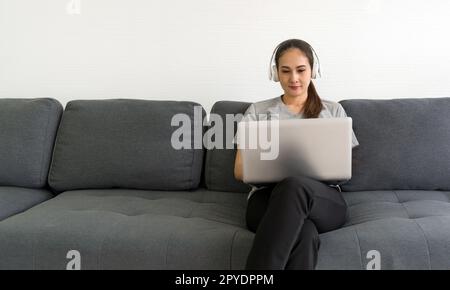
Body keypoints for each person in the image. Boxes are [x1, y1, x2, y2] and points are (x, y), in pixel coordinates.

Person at [234, 39, 359, 270]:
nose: (294, 78)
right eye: (285, 71)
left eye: (301, 70)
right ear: (275, 73)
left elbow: (345, 169)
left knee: (294, 186)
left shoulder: (333, 111)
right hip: (266, 199)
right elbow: (240, 170)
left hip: (322, 200)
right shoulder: (257, 112)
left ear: (313, 70)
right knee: (305, 232)